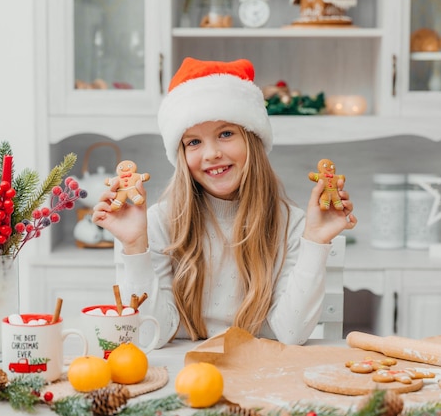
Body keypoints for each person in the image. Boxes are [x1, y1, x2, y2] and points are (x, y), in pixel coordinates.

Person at [92, 57, 357, 348]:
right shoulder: (158, 222)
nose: (211, 154)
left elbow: (291, 334)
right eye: (194, 142)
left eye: (226, 134)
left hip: (261, 377)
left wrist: (316, 240)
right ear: (181, 155)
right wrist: (134, 246)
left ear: (252, 140)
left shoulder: (291, 224)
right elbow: (149, 336)